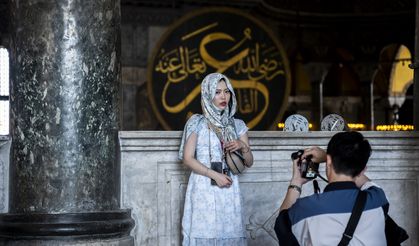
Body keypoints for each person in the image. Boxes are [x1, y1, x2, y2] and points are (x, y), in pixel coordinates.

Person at [274, 131, 389, 245]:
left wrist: (296, 181)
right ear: (363, 169)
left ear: (328, 161)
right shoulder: (378, 199)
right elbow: (362, 177)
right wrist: (328, 157)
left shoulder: (305, 208)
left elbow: (281, 226)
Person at [179, 72, 254, 246]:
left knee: (229, 234)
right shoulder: (196, 122)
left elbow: (249, 162)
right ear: (207, 93)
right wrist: (215, 175)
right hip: (204, 186)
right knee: (205, 233)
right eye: (217, 91)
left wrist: (243, 147)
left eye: (226, 91)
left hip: (229, 186)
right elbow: (188, 159)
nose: (223, 96)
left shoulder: (237, 125)